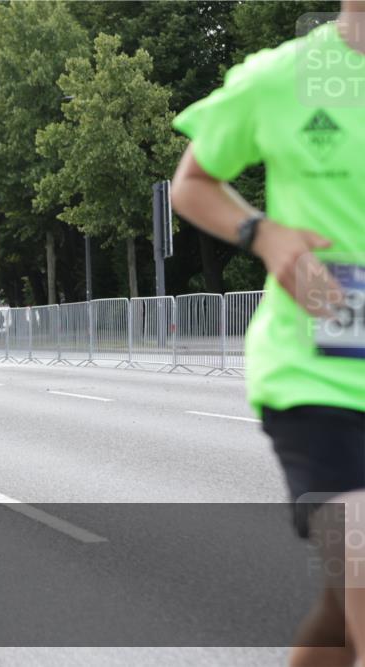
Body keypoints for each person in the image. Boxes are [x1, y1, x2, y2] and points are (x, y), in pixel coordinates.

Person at [170, 6, 364, 664]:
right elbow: (192, 181)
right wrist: (265, 233)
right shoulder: (284, 78)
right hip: (321, 379)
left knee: (344, 616)